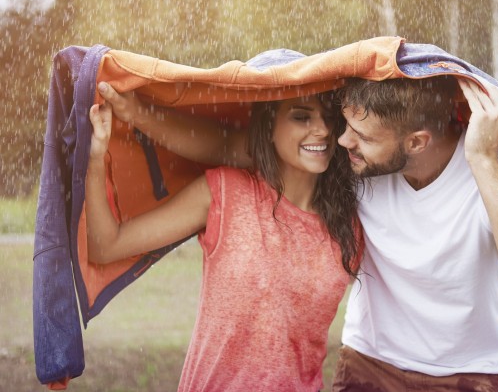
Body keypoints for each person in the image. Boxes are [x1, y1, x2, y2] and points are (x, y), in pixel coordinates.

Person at [96, 71, 498, 391]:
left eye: (359, 135)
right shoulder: (347, 164)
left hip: (471, 377)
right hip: (368, 367)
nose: (338, 138)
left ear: (415, 142)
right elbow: (233, 146)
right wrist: (135, 113)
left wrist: (482, 159)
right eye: (340, 124)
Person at [85, 90, 362, 391]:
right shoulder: (227, 193)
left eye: (329, 118)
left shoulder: (349, 228)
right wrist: (95, 158)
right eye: (300, 116)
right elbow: (105, 246)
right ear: (268, 127)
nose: (322, 129)